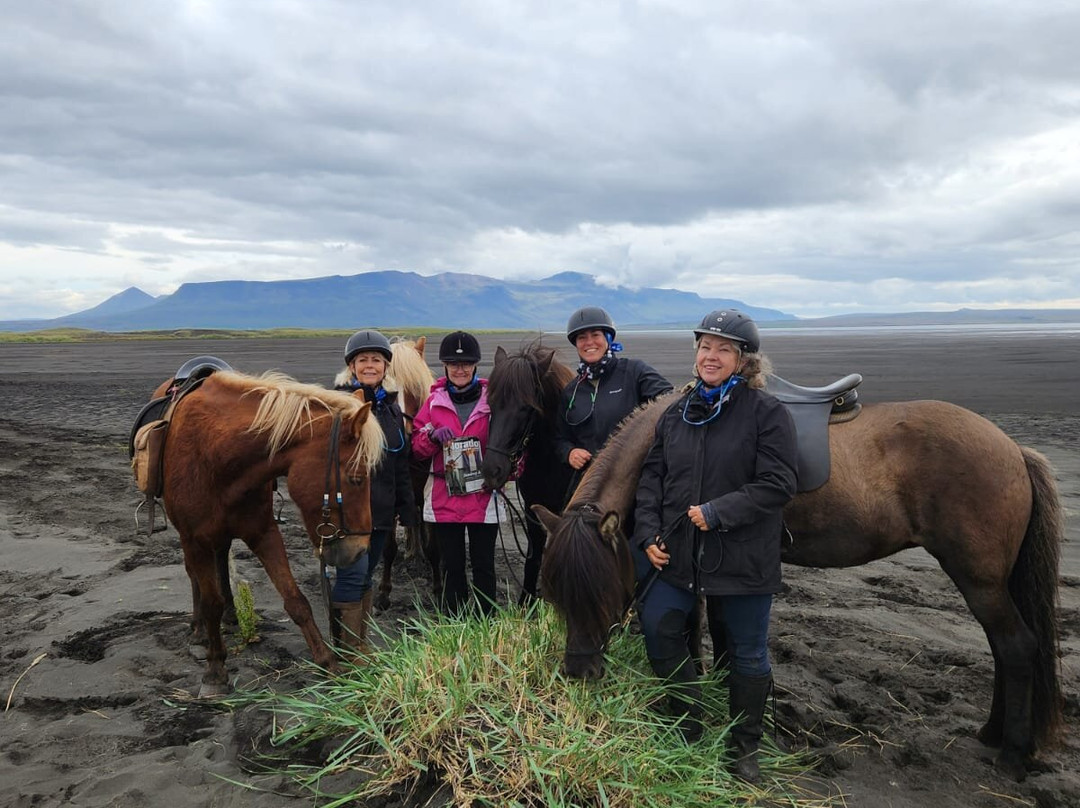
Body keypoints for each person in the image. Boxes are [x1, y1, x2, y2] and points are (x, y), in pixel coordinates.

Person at [631, 309, 798, 783]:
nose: (711, 356)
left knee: (747, 652)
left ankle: (744, 748)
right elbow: (652, 480)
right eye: (705, 346)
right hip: (678, 554)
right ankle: (688, 726)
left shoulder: (767, 413)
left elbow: (779, 483)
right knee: (659, 626)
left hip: (743, 557)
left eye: (724, 349)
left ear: (744, 360)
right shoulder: (677, 413)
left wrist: (719, 511)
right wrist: (648, 534)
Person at [330, 329, 416, 661]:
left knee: (366, 575)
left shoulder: (391, 409)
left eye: (376, 360)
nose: (370, 365)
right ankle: (348, 652)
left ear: (385, 366)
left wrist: (406, 509)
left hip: (380, 512)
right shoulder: (337, 405)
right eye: (363, 360)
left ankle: (358, 645)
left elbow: (400, 463)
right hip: (349, 513)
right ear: (351, 366)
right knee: (352, 575)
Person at [411, 331, 499, 615]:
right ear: (445, 366)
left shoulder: (493, 402)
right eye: (453, 364)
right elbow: (417, 449)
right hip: (444, 496)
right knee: (451, 566)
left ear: (475, 365)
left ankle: (487, 621)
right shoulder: (432, 403)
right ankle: (454, 622)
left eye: (466, 364)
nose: (460, 370)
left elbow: (506, 443)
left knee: (484, 565)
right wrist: (432, 437)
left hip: (482, 496)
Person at [554, 304, 673, 484]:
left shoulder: (634, 372)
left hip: (636, 478)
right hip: (590, 482)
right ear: (576, 344)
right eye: (582, 337)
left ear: (608, 338)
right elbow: (559, 438)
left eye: (596, 335)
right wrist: (569, 452)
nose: (589, 342)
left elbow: (670, 402)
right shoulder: (571, 391)